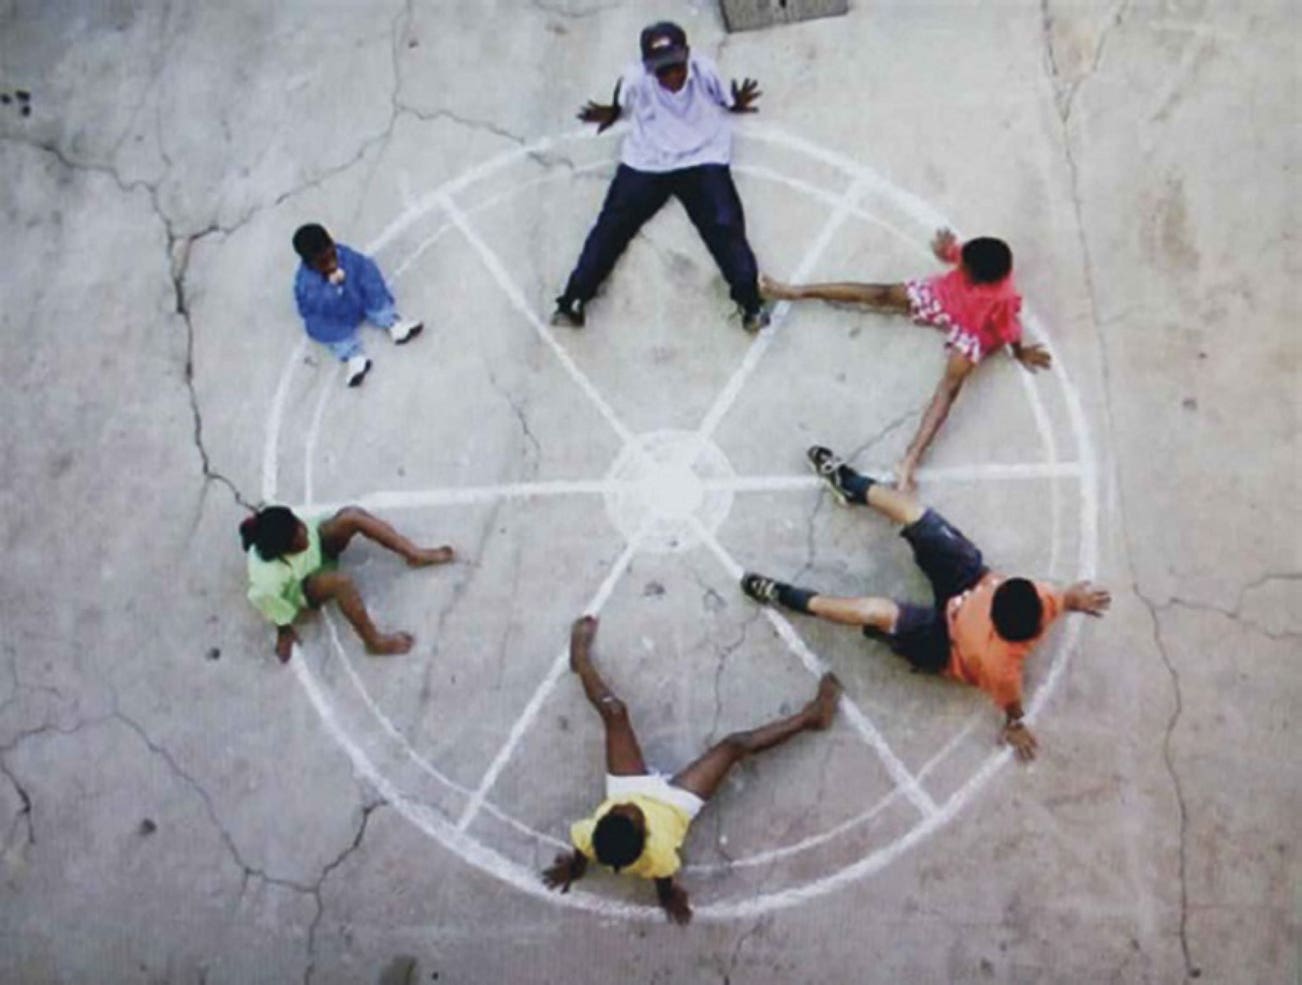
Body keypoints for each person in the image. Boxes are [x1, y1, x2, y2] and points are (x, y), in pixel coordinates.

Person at [740, 445, 1110, 760]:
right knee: (917, 516)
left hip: (944, 645)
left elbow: (1011, 703)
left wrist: (1015, 723)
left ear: (998, 625)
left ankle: (784, 595)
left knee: (874, 612)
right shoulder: (1041, 596)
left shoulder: (1000, 668)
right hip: (968, 581)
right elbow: (1061, 598)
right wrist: (1072, 598)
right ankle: (850, 485)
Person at [542, 615, 841, 924]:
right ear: (646, 833)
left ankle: (580, 660)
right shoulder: (658, 855)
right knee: (734, 745)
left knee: (614, 711)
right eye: (635, 814)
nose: (630, 806)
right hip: (673, 805)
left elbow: (582, 851)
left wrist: (575, 869)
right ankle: (811, 718)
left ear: (604, 820)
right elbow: (663, 879)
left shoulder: (590, 833)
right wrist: (667, 896)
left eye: (617, 810)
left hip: (627, 786)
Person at [760, 230, 1053, 492]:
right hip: (943, 297)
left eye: (963, 266)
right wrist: (947, 251)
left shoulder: (1003, 297)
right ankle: (796, 291)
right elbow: (955, 254)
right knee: (882, 293)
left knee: (949, 389)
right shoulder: (972, 258)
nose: (959, 263)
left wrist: (1019, 351)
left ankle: (910, 461)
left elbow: (1008, 329)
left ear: (977, 277)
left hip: (973, 330)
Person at [551, 21, 770, 333]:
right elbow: (620, 102)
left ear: (687, 56)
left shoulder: (705, 71)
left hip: (702, 156)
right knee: (612, 227)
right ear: (648, 67)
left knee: (725, 226)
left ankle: (751, 303)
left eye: (676, 67)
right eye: (662, 70)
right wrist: (612, 111)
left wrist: (737, 102)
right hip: (648, 161)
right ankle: (573, 300)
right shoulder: (635, 79)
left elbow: (727, 101)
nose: (671, 76)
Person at [240, 505, 454, 663]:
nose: (305, 533)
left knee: (351, 516)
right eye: (299, 539)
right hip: (305, 584)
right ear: (285, 552)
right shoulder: (267, 578)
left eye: (301, 526)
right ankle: (374, 642)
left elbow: (311, 531)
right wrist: (283, 627)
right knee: (340, 583)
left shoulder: (281, 522)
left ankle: (414, 554)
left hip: (318, 552)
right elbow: (266, 601)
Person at [292, 223, 424, 387]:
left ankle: (391, 322)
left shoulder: (345, 256)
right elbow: (315, 307)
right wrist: (332, 290)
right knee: (320, 325)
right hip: (335, 315)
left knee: (371, 285)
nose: (332, 263)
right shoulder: (307, 283)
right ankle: (353, 356)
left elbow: (364, 268)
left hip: (356, 297)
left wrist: (367, 284)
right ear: (311, 264)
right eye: (323, 262)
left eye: (332, 255)